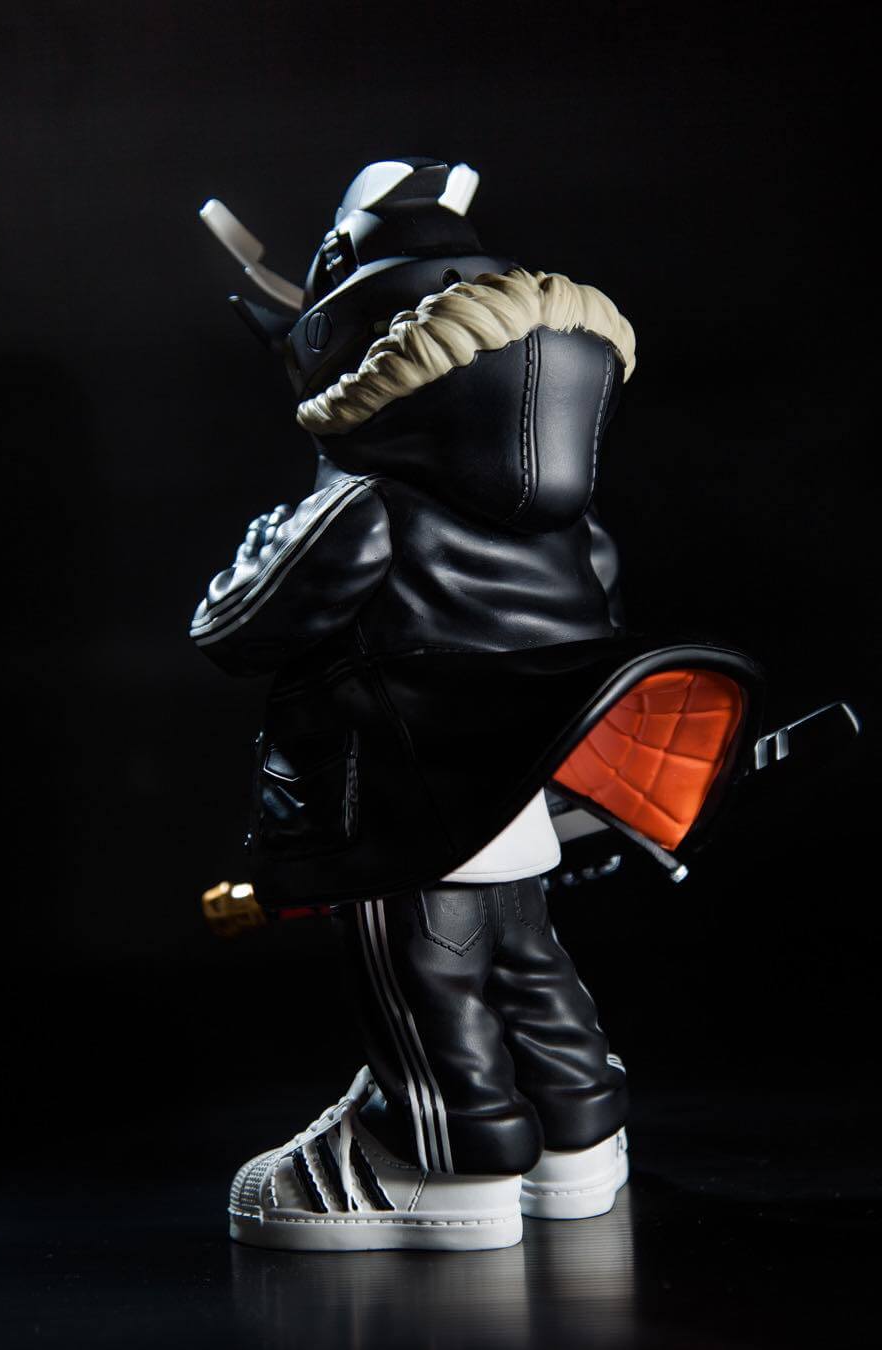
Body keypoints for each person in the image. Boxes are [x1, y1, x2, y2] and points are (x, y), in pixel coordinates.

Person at [192, 158, 759, 1250]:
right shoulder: (575, 528)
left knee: (426, 977)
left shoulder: (361, 507)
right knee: (530, 962)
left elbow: (231, 629)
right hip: (517, 799)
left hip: (399, 805)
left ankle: (438, 1156)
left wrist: (263, 549)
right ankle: (577, 1133)